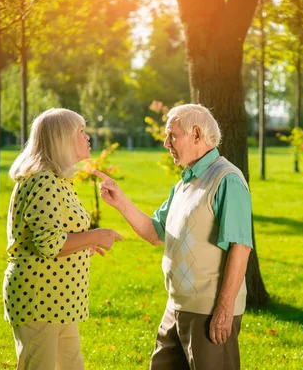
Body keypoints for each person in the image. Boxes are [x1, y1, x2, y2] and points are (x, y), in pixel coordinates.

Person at [95, 103, 253, 370]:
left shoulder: (227, 179)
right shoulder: (184, 183)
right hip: (176, 307)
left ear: (196, 135)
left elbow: (241, 247)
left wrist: (224, 310)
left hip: (208, 310)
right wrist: (121, 202)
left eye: (173, 136)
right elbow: (155, 233)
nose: (166, 143)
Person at [3, 108, 123, 370]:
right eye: (81, 131)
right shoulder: (44, 180)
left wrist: (83, 245)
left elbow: (56, 235)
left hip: (59, 301)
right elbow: (48, 244)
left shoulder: (57, 179)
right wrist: (97, 235)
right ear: (62, 139)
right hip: (39, 299)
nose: (87, 137)